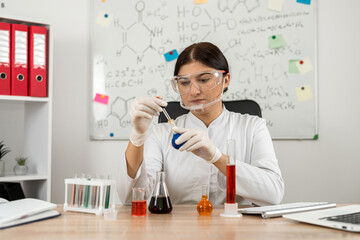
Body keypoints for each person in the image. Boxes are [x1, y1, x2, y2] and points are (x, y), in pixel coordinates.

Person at [117, 42, 284, 206]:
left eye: (203, 79)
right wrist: (137, 136)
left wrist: (217, 158)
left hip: (235, 227)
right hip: (177, 228)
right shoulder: (162, 132)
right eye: (184, 83)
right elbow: (130, 198)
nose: (194, 91)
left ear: (225, 81)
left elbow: (274, 194)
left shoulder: (252, 127)